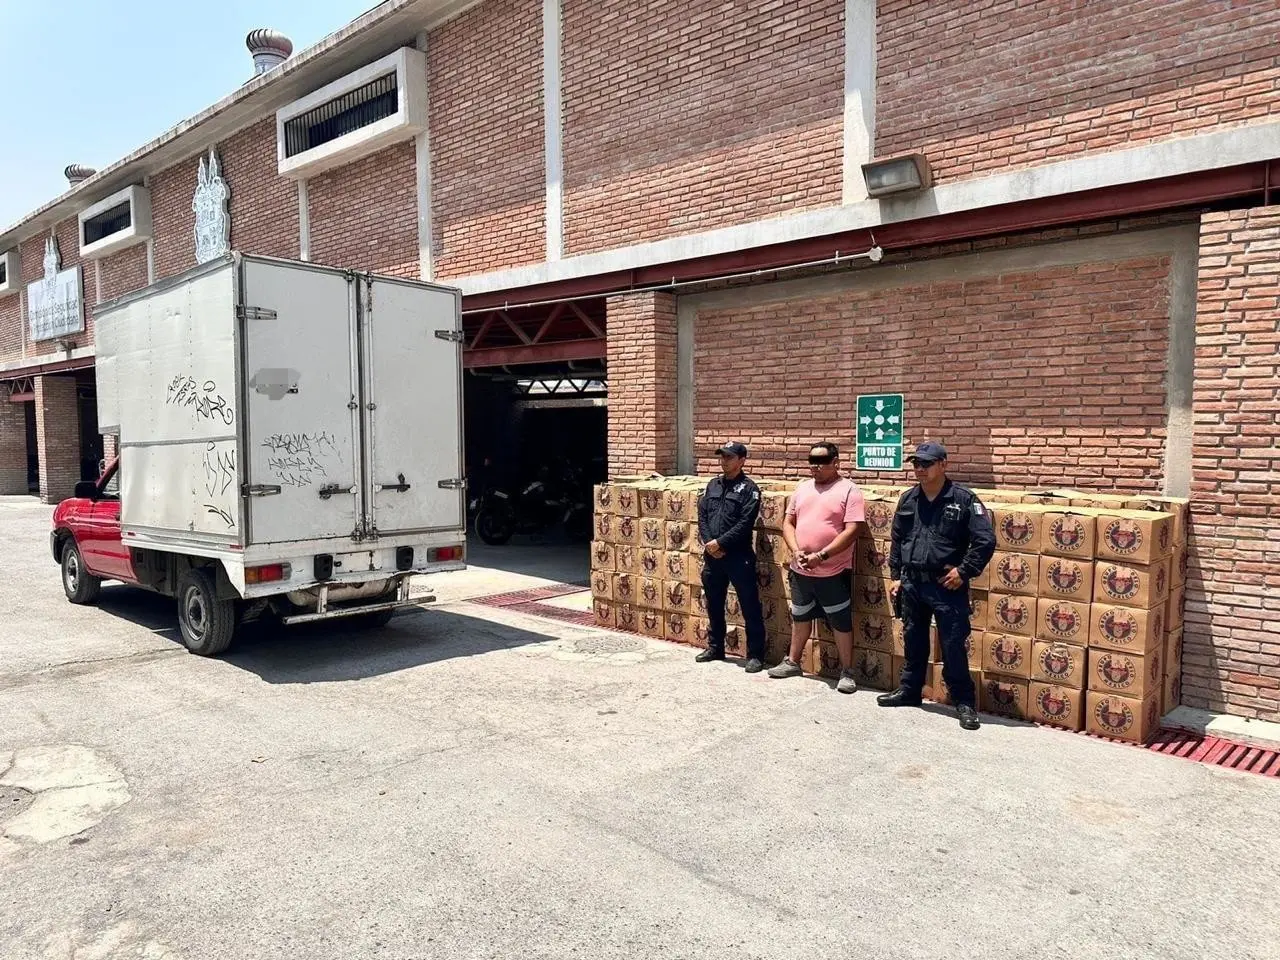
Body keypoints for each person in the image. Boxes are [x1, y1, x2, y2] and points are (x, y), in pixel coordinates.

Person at [878, 441, 996, 730]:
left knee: (953, 644)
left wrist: (964, 572)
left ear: (943, 464)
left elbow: (985, 541)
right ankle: (910, 690)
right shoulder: (908, 500)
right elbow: (897, 542)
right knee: (914, 640)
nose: (919, 469)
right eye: (916, 464)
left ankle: (963, 701)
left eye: (926, 463)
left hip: (946, 586)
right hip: (913, 584)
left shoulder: (964, 499)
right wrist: (896, 577)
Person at [768, 441, 865, 694]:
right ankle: (793, 662)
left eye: (822, 461)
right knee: (800, 617)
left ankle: (847, 672)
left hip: (833, 572)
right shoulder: (802, 489)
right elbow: (788, 523)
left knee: (840, 622)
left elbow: (853, 530)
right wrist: (796, 550)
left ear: (836, 463)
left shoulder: (849, 491)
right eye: (812, 461)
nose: (816, 466)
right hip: (800, 570)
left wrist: (822, 555)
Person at [695, 442, 768, 672]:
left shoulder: (749, 489)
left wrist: (721, 543)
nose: (724, 460)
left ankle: (755, 655)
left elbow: (746, 523)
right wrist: (709, 544)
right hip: (712, 556)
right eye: (722, 456)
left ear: (742, 460)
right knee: (714, 603)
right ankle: (716, 647)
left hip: (738, 557)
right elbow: (703, 515)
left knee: (749, 605)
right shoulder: (712, 485)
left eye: (729, 457)